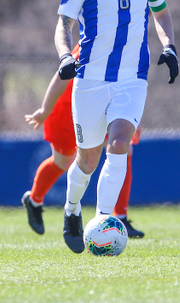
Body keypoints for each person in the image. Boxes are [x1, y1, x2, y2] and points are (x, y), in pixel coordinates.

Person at [54, 0, 178, 254]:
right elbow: (63, 25)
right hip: (90, 80)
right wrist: (65, 55)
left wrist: (168, 46)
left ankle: (105, 222)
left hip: (132, 78)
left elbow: (162, 14)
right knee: (87, 160)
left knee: (120, 143)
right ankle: (72, 209)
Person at [22, 45, 144, 238]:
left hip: (102, 104)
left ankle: (119, 217)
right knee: (63, 161)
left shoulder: (127, 40)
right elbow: (61, 76)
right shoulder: (95, 42)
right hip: (66, 110)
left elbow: (129, 84)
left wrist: (132, 120)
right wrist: (45, 110)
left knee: (123, 148)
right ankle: (34, 200)